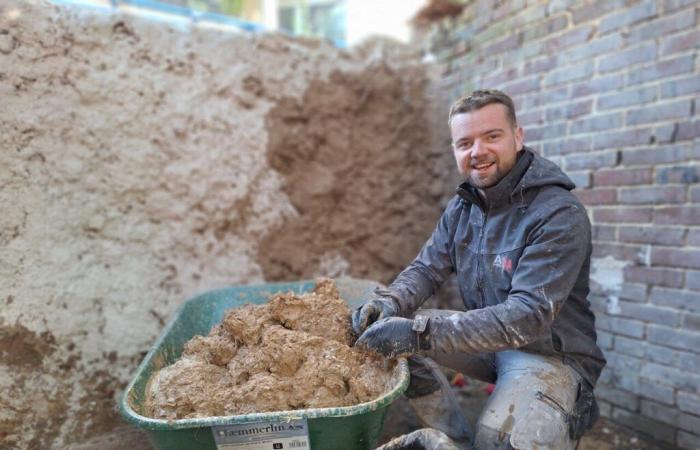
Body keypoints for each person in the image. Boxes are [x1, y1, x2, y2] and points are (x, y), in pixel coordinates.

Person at [353, 89, 607, 450]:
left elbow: (528, 316)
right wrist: (390, 303)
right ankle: (453, 442)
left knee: (500, 438)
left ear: (518, 137)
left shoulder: (557, 213)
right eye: (465, 142)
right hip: (490, 341)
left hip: (550, 355)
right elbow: (427, 268)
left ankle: (547, 418)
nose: (478, 152)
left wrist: (419, 333)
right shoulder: (464, 206)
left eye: (492, 136)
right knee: (398, 343)